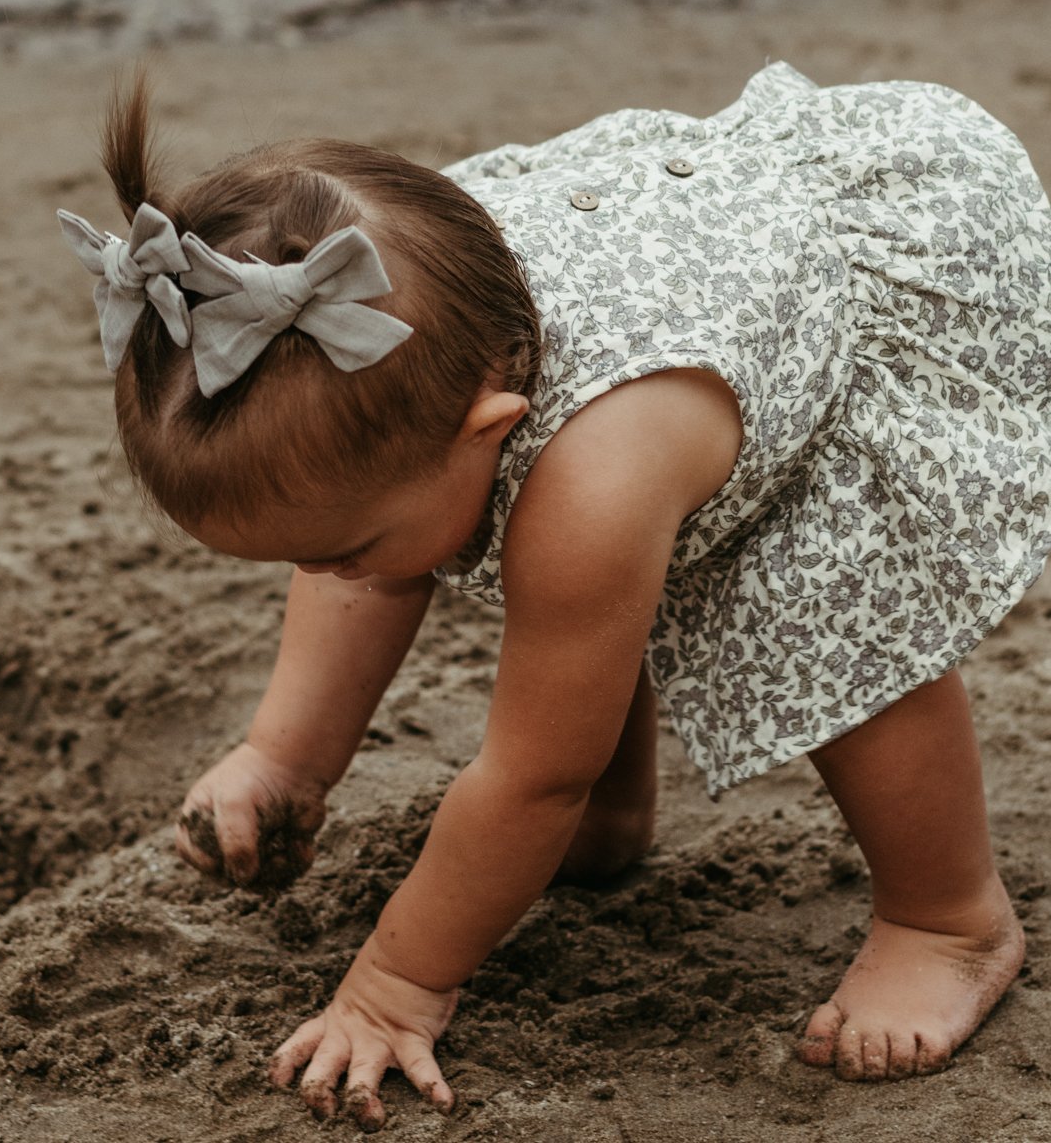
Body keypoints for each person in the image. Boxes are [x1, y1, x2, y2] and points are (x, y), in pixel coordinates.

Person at [58, 60, 1051, 1127]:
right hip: (662, 289)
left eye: (337, 548)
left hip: (828, 313)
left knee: (828, 630)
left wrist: (395, 984)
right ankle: (619, 829)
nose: (328, 576)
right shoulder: (399, 342)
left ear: (490, 428)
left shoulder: (594, 479)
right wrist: (287, 757)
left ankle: (948, 918)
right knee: (533, 589)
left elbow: (535, 777)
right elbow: (375, 567)